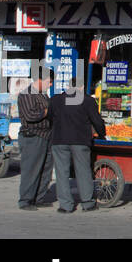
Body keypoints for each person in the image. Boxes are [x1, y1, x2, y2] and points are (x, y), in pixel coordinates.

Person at [48, 84, 107, 213]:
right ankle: (87, 203)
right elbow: (97, 121)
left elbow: (50, 119)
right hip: (80, 140)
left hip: (59, 140)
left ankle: (65, 205)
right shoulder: (87, 100)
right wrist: (102, 134)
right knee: (83, 171)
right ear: (81, 87)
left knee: (61, 173)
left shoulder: (55, 100)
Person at [17, 72, 54, 210]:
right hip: (33, 136)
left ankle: (39, 198)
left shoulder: (43, 94)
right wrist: (47, 111)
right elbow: (31, 115)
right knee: (31, 169)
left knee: (45, 169)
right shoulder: (27, 94)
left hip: (47, 135)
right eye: (48, 82)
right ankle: (26, 200)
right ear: (39, 80)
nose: (50, 85)